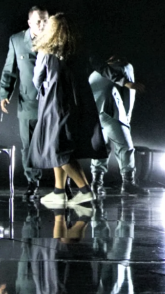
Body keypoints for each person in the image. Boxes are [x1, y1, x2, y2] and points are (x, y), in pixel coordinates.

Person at [29, 13, 107, 206]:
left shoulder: (46, 50)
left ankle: (85, 190)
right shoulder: (79, 51)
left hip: (54, 104)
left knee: (58, 149)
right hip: (77, 103)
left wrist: (43, 91)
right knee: (60, 146)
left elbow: (37, 78)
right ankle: (59, 191)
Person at [0, 6, 48, 200]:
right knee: (28, 145)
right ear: (29, 23)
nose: (42, 25)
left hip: (52, 102)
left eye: (45, 20)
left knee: (58, 144)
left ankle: (64, 185)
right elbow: (9, 69)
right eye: (38, 21)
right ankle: (32, 183)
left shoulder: (56, 39)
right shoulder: (17, 40)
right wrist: (5, 93)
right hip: (28, 102)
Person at [88, 55, 149, 197]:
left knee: (101, 147)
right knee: (125, 147)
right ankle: (128, 184)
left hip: (94, 111)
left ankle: (96, 183)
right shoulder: (125, 67)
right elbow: (130, 94)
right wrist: (127, 119)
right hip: (108, 109)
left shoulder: (97, 71)